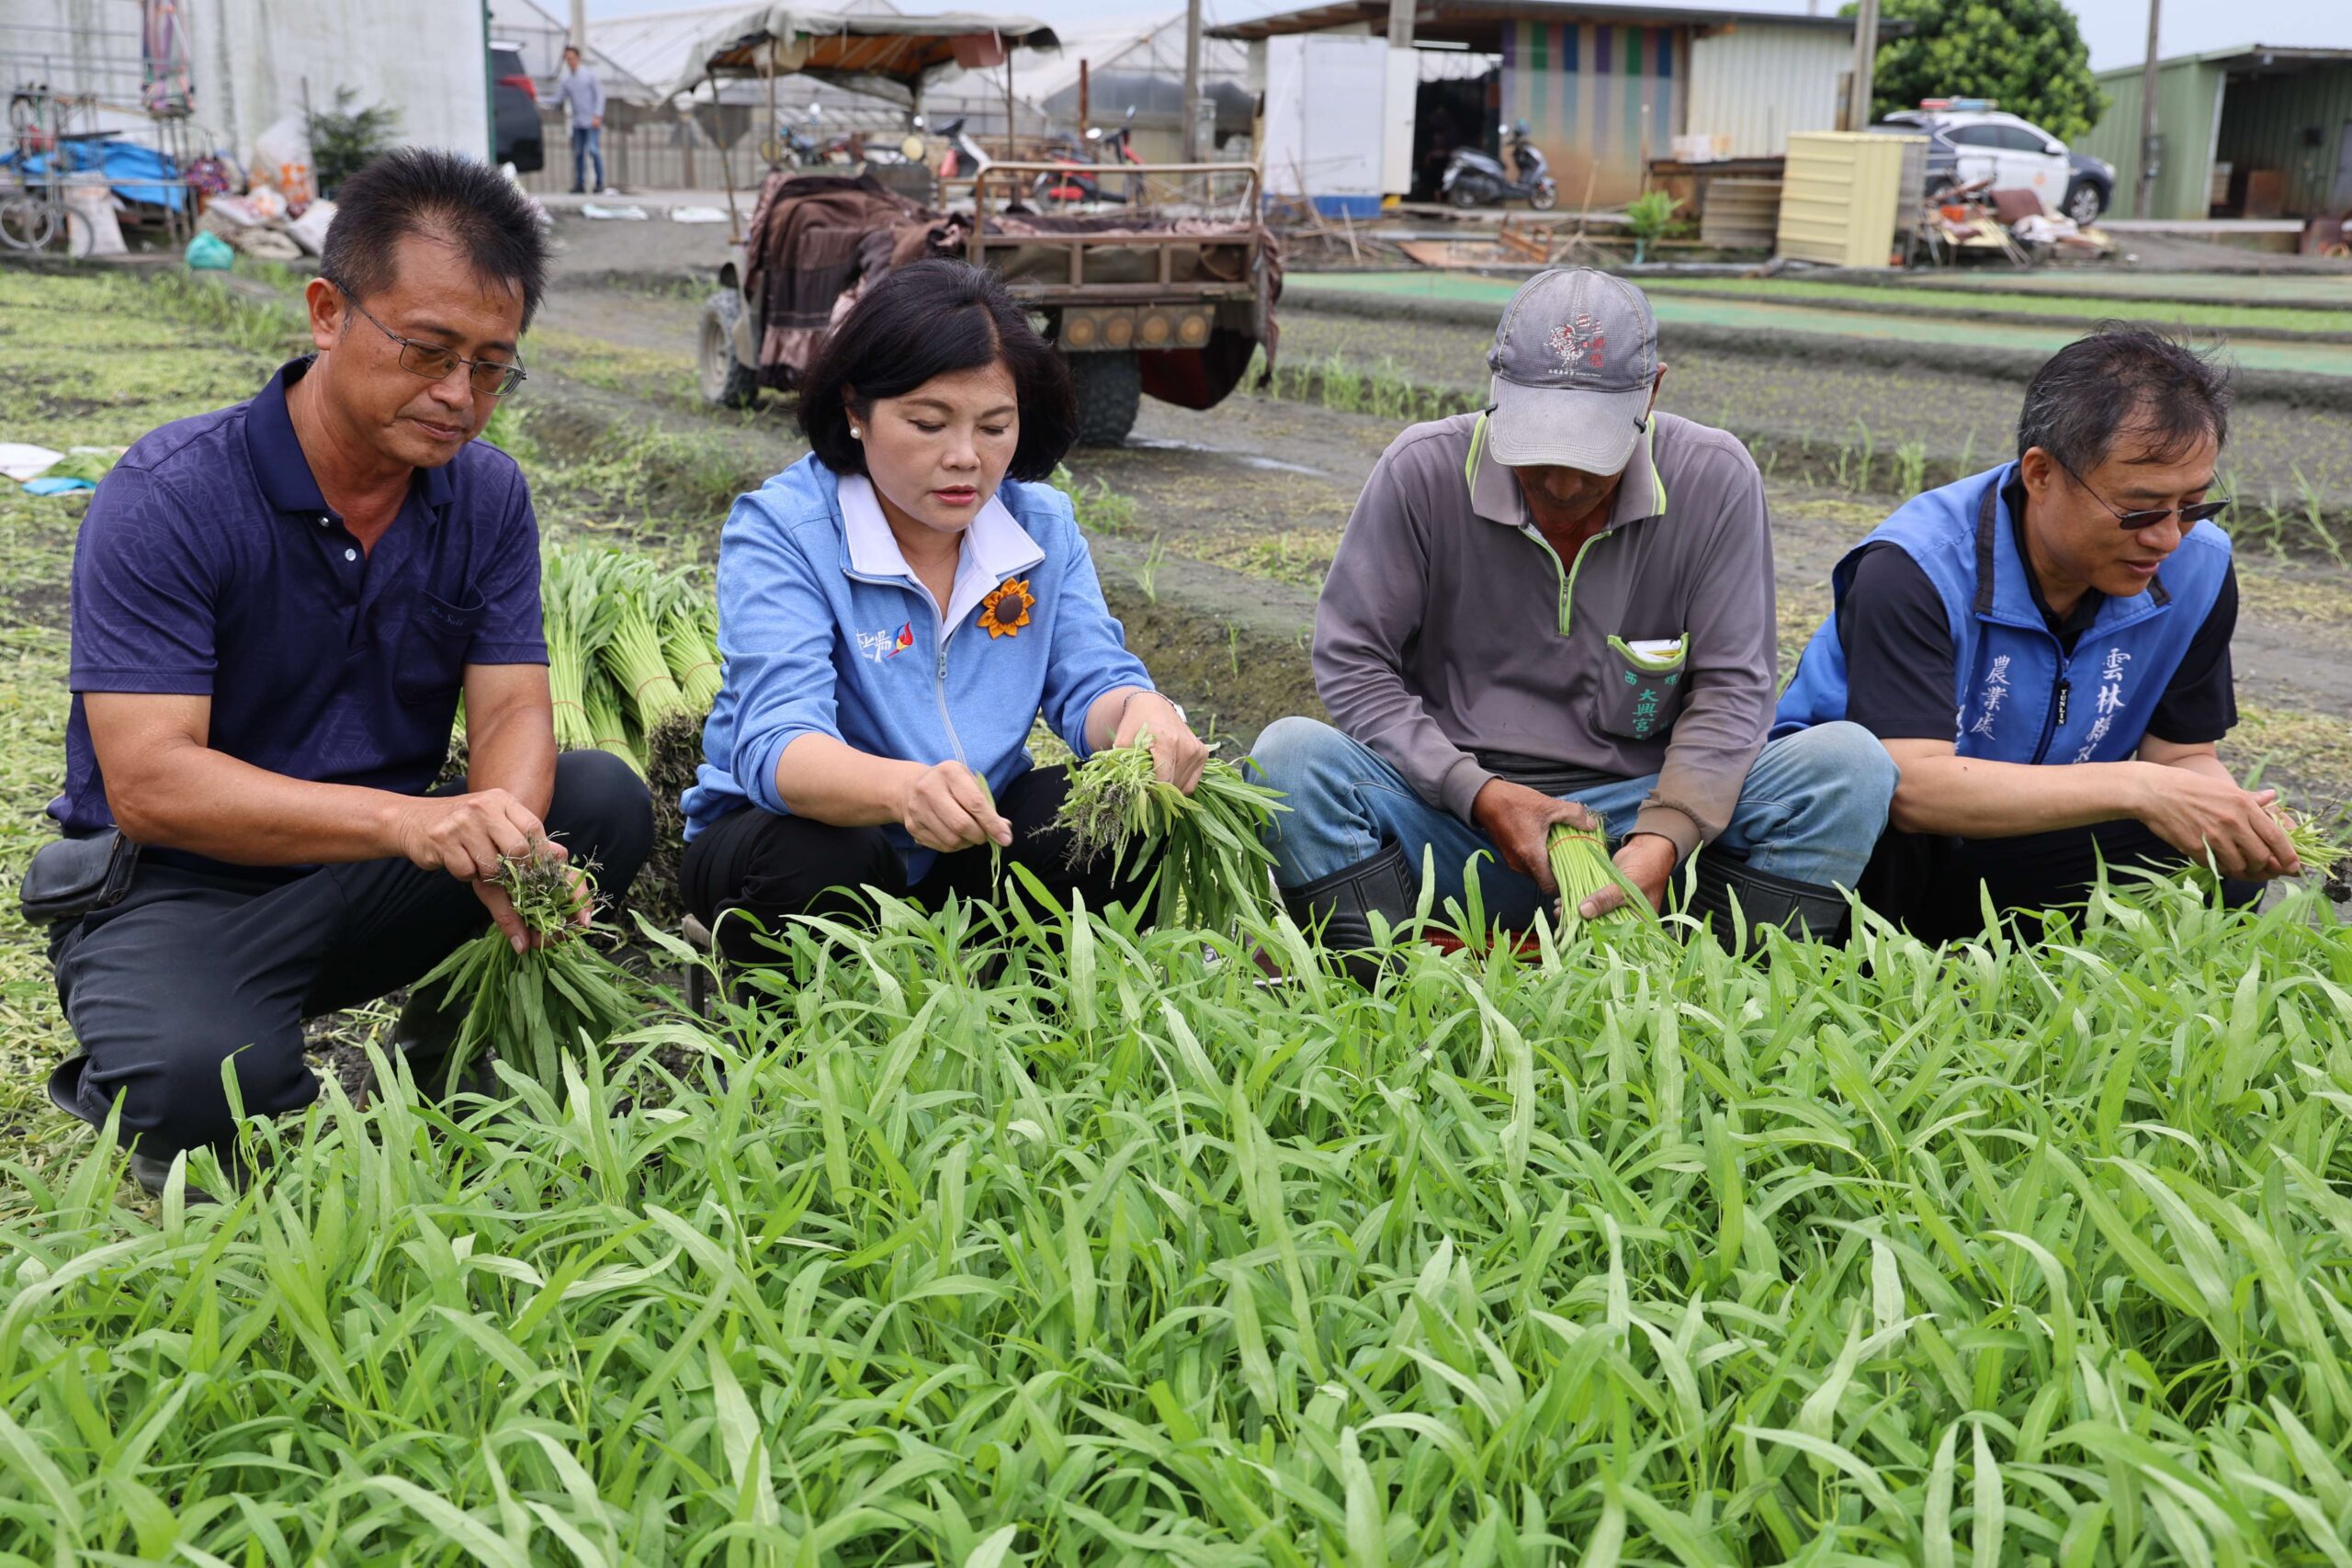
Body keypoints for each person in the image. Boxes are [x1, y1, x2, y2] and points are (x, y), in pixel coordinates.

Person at [30, 149, 653, 1196]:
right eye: (426, 350)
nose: (458, 395)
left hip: (366, 878)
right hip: (176, 889)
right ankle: (172, 1048)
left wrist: (503, 840)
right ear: (328, 312)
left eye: (492, 366)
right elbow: (147, 781)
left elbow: (511, 708)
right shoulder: (173, 495)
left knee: (595, 802)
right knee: (198, 1084)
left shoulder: (484, 497)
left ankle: (447, 1063)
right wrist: (408, 824)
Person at [1251, 268, 1896, 957]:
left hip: (1637, 817)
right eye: (1540, 453)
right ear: (1497, 391)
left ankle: (1711, 997)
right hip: (1455, 825)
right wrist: (1478, 792)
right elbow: (1353, 662)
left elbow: (1733, 690)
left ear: (1651, 392)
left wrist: (1664, 837)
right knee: (1290, 759)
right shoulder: (1423, 471)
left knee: (1848, 767)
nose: (1561, 484)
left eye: (1592, 459)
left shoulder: (1715, 480)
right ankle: (1389, 996)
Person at [681, 260, 1209, 960]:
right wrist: (905, 791)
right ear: (855, 410)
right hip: (794, 838)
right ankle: (809, 1047)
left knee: (1111, 818)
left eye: (995, 426)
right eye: (928, 423)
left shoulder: (1039, 528)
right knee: (822, 857)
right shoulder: (786, 529)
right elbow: (778, 744)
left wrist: (1140, 714)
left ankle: (1035, 1023)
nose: (965, 458)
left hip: (967, 841)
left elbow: (1092, 680)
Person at [1775, 324, 2296, 942]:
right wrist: (2138, 786)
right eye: (2141, 509)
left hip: (2014, 847)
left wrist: (2230, 812)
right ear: (2042, 474)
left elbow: (2182, 756)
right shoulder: (1915, 567)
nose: (2167, 536)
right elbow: (1910, 785)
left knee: (2221, 850)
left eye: (2193, 505)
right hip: (1864, 851)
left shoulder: (2200, 566)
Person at [556, 44, 606, 196]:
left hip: (591, 121)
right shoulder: (566, 80)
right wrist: (537, 98)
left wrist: (598, 115)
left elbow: (600, 96)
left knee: (593, 150)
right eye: (567, 59)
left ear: (578, 58)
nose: (569, 61)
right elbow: (558, 99)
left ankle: (599, 183)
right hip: (578, 122)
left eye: (571, 58)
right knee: (578, 153)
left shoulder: (589, 76)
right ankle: (580, 184)